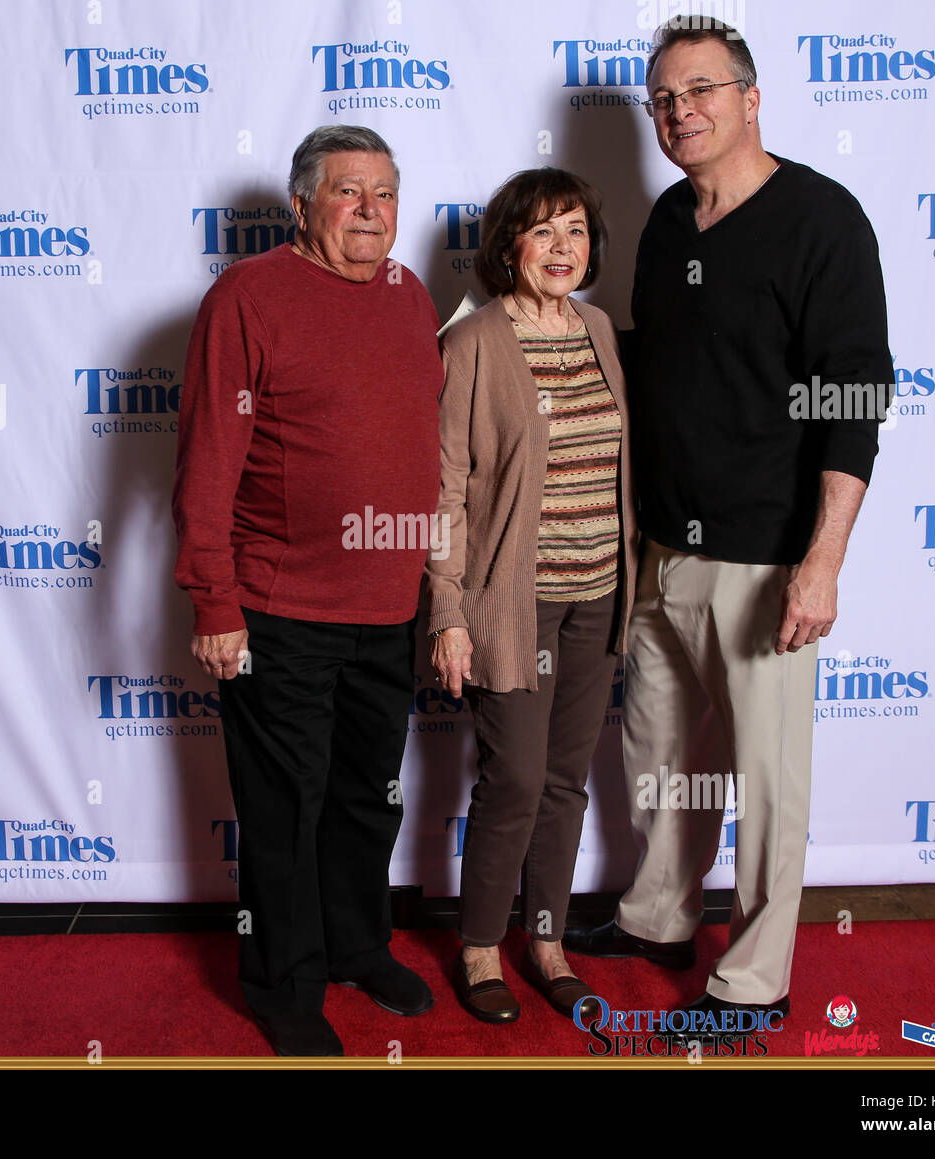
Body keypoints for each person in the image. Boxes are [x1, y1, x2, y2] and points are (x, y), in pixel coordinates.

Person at [563, 19, 892, 1020]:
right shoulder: (667, 223)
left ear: (751, 98)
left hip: (767, 555)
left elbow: (853, 397)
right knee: (660, 760)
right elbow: (664, 361)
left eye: (700, 90)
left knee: (765, 780)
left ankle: (753, 981)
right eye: (662, 98)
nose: (679, 112)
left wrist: (822, 559)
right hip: (662, 546)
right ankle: (657, 913)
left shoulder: (821, 220)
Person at [171, 125, 443, 1056]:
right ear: (300, 205)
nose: (371, 211)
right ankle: (284, 986)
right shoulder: (247, 297)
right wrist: (214, 599)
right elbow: (208, 459)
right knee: (285, 809)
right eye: (347, 192)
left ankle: (357, 946)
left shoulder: (412, 298)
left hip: (387, 605)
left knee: (369, 797)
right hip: (279, 610)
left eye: (385, 193)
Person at [428, 168, 638, 1023]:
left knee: (564, 780)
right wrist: (446, 612)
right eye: (544, 231)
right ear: (509, 244)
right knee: (513, 779)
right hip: (512, 603)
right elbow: (443, 488)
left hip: (598, 597)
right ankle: (481, 945)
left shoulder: (595, 328)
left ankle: (545, 941)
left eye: (577, 231)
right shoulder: (473, 341)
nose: (563, 248)